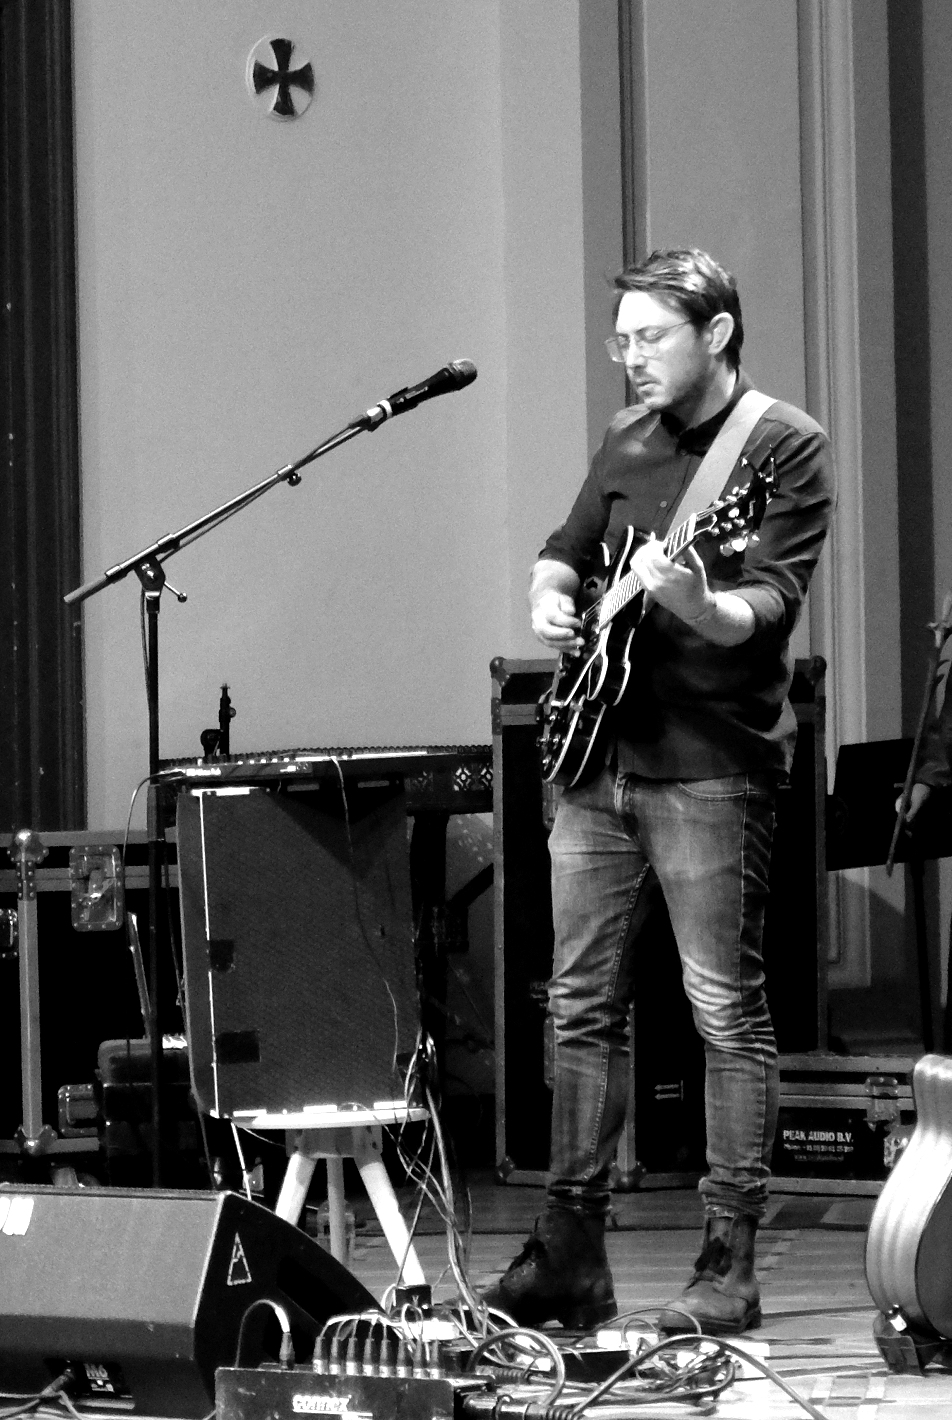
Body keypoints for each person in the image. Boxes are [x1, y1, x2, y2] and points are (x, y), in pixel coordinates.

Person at [483, 248, 834, 1335]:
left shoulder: (782, 445)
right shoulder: (627, 437)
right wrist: (549, 595)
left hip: (712, 765)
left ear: (716, 333)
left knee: (723, 1009)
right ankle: (568, 1256)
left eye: (650, 338)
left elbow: (763, 607)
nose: (629, 357)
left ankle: (728, 1263)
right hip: (599, 760)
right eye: (621, 339)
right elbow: (564, 549)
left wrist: (694, 600)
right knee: (578, 1005)